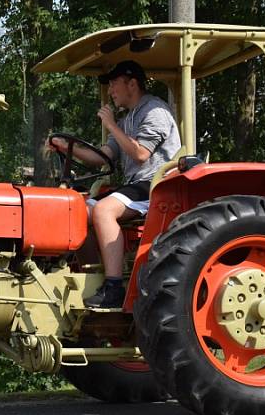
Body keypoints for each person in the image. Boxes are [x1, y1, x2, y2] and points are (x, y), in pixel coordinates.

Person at [50, 60, 180, 307]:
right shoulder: (126, 121)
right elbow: (101, 158)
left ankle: (113, 286)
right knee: (77, 210)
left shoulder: (155, 111)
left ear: (132, 83)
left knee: (103, 209)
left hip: (156, 185)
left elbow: (141, 153)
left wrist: (110, 125)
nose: (110, 90)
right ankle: (91, 275)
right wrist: (66, 147)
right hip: (134, 186)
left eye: (113, 83)